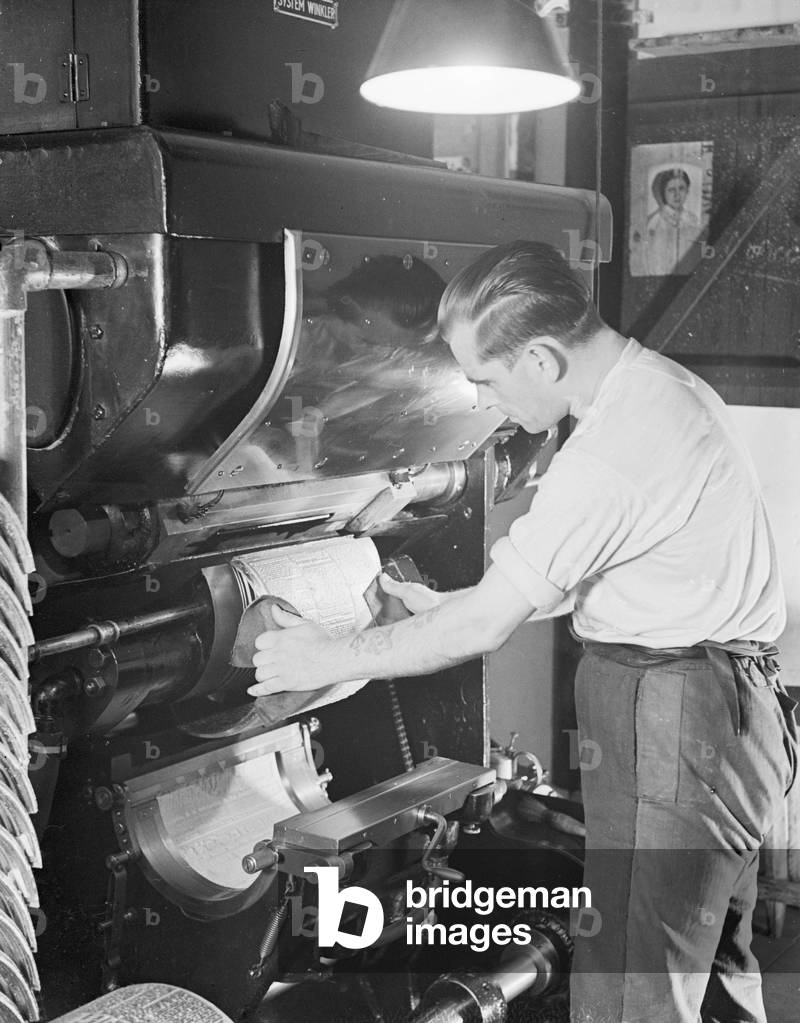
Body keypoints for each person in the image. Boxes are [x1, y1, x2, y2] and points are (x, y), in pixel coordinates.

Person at [248, 240, 798, 1023]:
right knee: (711, 978)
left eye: (486, 379)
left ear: (540, 359)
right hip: (730, 717)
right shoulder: (658, 388)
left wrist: (322, 656)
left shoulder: (610, 450)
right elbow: (581, 569)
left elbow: (484, 629)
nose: (487, 402)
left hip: (678, 726)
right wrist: (450, 603)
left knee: (629, 997)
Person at [641, 167, 702, 276]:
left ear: (687, 190)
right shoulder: (654, 222)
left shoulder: (693, 220)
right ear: (663, 193)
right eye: (671, 190)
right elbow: (650, 261)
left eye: (681, 188)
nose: (677, 195)